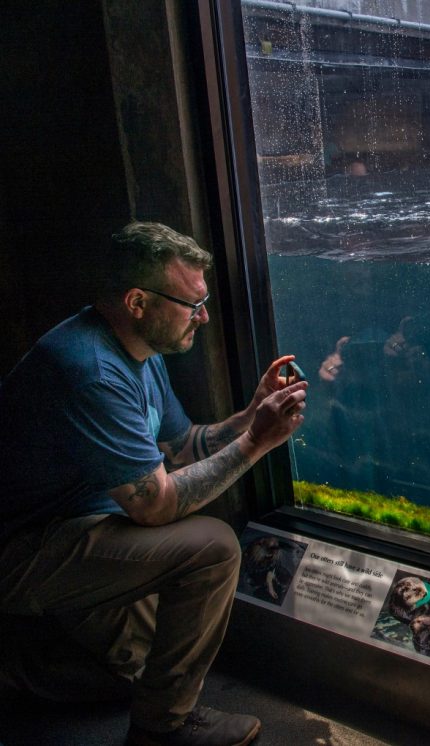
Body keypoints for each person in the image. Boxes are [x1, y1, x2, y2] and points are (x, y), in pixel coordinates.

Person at [0, 222, 308, 745]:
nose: (205, 316)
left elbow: (181, 446)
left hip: (82, 523)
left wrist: (247, 417)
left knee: (134, 670)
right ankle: (161, 728)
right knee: (212, 547)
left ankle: (18, 666)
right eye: (192, 304)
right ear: (138, 301)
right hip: (23, 548)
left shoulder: (140, 350)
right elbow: (155, 507)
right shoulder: (93, 370)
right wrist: (256, 442)